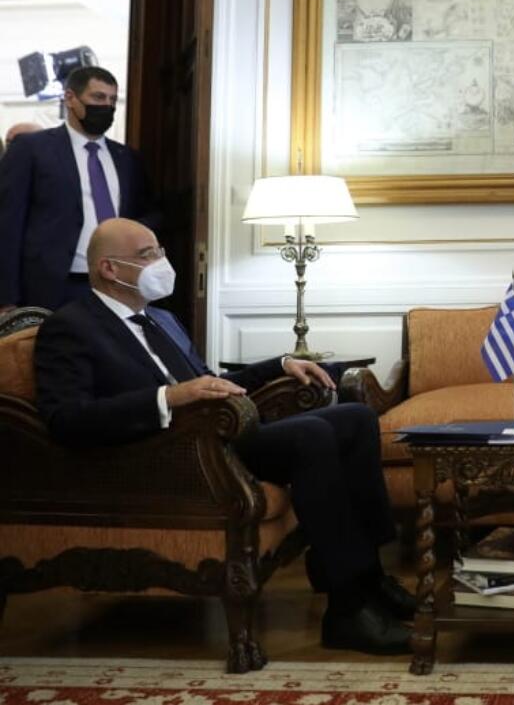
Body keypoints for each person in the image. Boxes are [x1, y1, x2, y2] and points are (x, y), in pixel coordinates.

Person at [34, 218, 414, 655]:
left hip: (213, 441)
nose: (161, 262)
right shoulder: (70, 327)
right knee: (311, 434)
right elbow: (67, 419)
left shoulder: (160, 319)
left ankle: (369, 577)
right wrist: (168, 397)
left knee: (355, 418)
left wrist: (280, 364)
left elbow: (209, 382)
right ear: (108, 269)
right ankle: (348, 611)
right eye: (147, 255)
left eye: (159, 250)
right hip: (165, 455)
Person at [0, 67, 156, 312]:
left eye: (112, 100)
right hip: (54, 287)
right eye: (98, 97)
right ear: (71, 98)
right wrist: (6, 297)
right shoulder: (32, 149)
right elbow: (8, 223)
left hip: (118, 284)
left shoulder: (127, 158)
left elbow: (144, 214)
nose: (107, 106)